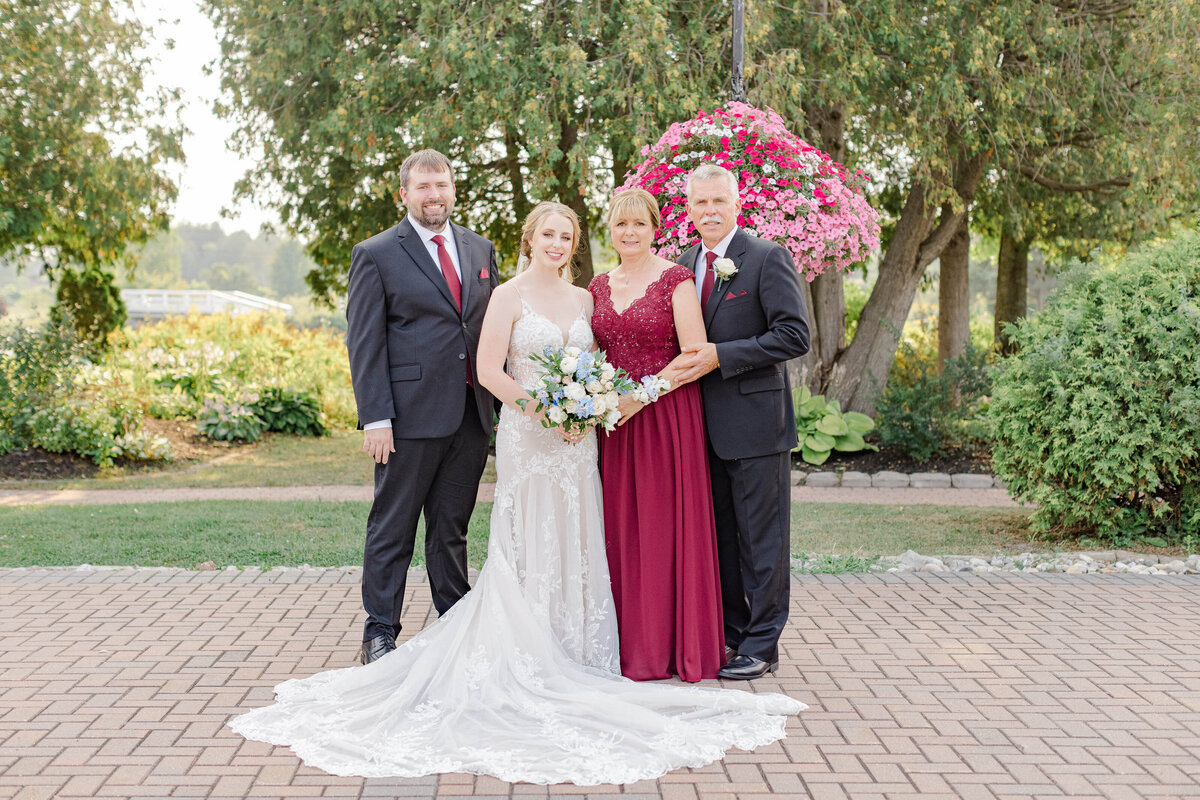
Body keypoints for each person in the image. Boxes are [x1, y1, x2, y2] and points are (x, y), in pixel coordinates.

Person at [228, 202, 804, 785]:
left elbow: (605, 362)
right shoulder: (506, 295)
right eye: (548, 234)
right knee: (527, 537)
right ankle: (510, 646)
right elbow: (488, 370)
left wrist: (588, 406)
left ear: (576, 245)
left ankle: (578, 646)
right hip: (532, 436)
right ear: (530, 239)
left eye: (566, 236)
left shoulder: (587, 299)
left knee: (583, 534)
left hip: (581, 440)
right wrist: (541, 409)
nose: (557, 244)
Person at [344, 149, 499, 665]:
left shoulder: (481, 250)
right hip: (406, 420)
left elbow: (490, 332)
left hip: (470, 416)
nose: (434, 196)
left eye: (442, 185)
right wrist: (376, 418)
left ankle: (454, 621)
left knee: (451, 528)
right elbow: (364, 343)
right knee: (393, 525)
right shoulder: (377, 253)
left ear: (454, 189)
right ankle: (380, 632)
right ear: (404, 194)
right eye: (424, 187)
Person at [672, 163, 811, 681]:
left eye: (718, 202)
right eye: (700, 203)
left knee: (763, 541)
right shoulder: (683, 266)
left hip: (756, 425)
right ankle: (731, 634)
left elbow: (794, 336)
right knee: (722, 540)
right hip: (700, 430)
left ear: (736, 203)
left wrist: (720, 356)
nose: (709, 211)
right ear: (689, 208)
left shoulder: (767, 258)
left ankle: (762, 644)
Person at [588, 188, 725, 682]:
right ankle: (622, 642)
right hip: (613, 424)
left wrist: (638, 398)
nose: (630, 233)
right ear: (612, 229)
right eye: (621, 225)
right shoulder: (599, 285)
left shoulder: (676, 280)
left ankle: (667, 646)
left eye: (639, 225)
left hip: (665, 417)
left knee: (664, 526)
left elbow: (694, 354)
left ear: (656, 228)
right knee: (620, 526)